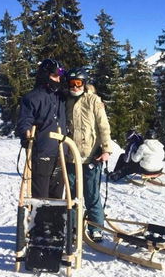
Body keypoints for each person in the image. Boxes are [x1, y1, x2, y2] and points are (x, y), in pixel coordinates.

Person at [65, 68, 112, 242]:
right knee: (72, 195)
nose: (75, 87)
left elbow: (104, 126)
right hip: (71, 156)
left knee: (92, 195)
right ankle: (73, 225)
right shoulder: (66, 101)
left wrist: (106, 149)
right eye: (72, 83)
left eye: (78, 83)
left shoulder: (93, 100)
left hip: (91, 155)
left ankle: (96, 227)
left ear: (84, 84)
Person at [16, 58, 67, 199]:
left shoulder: (61, 96)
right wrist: (25, 134)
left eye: (59, 77)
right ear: (45, 76)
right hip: (43, 151)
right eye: (54, 76)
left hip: (62, 153)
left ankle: (56, 221)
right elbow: (25, 120)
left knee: (57, 196)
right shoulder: (32, 98)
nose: (57, 80)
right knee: (41, 197)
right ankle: (39, 220)